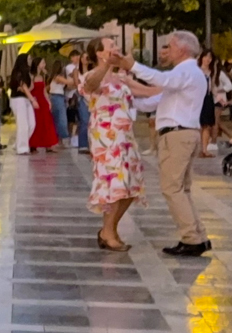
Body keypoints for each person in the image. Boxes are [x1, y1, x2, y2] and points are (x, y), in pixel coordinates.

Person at [123, 32, 211, 255]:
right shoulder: (189, 73)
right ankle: (198, 235)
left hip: (177, 135)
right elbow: (155, 101)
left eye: (170, 46)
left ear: (182, 49)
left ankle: (191, 238)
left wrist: (132, 65)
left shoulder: (185, 70)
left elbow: (160, 81)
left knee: (172, 188)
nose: (167, 50)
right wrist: (125, 93)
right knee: (182, 189)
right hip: (184, 133)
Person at [79, 39, 151, 251]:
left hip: (126, 136)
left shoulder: (122, 77)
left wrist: (175, 86)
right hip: (106, 137)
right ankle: (108, 232)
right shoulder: (90, 76)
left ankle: (108, 229)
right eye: (111, 46)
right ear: (100, 53)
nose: (116, 48)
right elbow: (90, 86)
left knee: (130, 185)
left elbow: (146, 92)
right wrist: (106, 65)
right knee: (114, 184)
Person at [29, 59, 59, 152]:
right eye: (43, 63)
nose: (44, 64)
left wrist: (48, 101)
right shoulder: (31, 76)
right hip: (35, 100)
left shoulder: (41, 77)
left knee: (47, 122)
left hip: (42, 100)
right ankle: (33, 144)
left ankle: (49, 144)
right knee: (36, 122)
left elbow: (44, 90)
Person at [8, 63, 36, 155]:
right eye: (28, 59)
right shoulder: (18, 73)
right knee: (23, 124)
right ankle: (22, 148)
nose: (30, 61)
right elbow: (24, 87)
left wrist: (31, 78)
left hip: (26, 99)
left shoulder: (27, 73)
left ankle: (18, 143)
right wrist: (32, 100)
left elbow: (30, 88)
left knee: (32, 124)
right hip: (18, 99)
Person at [67, 49, 91, 152]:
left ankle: (91, 144)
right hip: (82, 97)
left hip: (92, 97)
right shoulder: (76, 71)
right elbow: (77, 84)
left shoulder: (92, 71)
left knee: (91, 121)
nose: (85, 60)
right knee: (84, 120)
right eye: (83, 58)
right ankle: (83, 145)